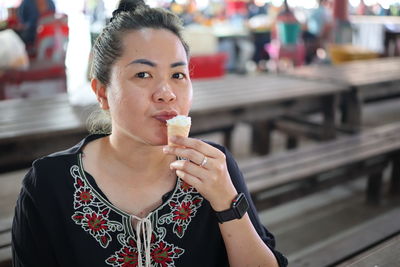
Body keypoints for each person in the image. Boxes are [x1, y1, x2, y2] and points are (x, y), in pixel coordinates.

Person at [12, 0, 288, 266]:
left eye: (177, 75)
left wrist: (227, 202)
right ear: (101, 92)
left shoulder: (215, 167)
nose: (166, 94)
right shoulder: (48, 184)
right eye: (143, 75)